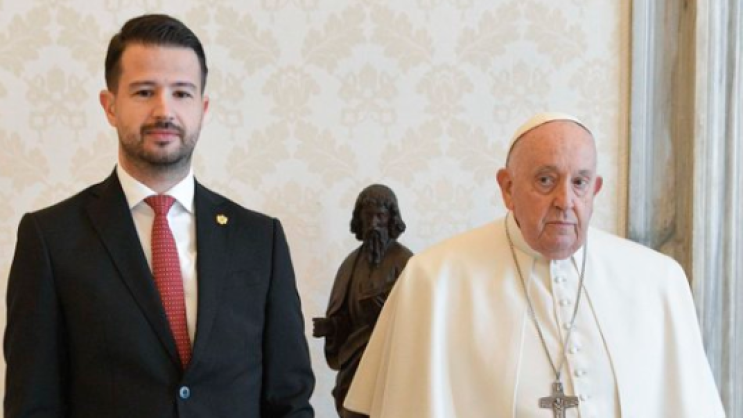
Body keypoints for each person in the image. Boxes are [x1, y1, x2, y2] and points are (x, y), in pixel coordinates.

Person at [4, 14, 314, 418]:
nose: (164, 110)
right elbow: (32, 406)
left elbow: (290, 402)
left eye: (182, 93)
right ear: (110, 106)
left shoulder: (260, 239)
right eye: (144, 92)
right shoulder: (51, 238)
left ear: (203, 108)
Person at [343, 112, 725, 418]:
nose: (565, 201)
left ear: (595, 190)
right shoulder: (433, 280)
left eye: (579, 182)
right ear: (507, 188)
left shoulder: (658, 281)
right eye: (545, 180)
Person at [313, 184, 413, 418]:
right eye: (368, 216)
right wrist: (331, 326)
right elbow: (344, 315)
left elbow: (418, 317)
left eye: (380, 216)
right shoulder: (351, 264)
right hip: (355, 356)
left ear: (391, 219)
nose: (374, 223)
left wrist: (384, 310)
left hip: (390, 359)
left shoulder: (406, 262)